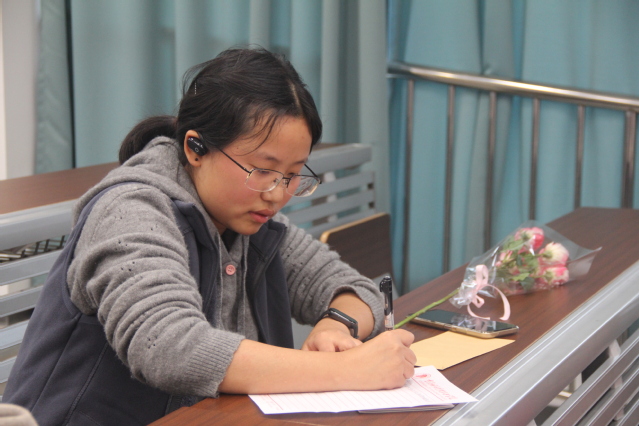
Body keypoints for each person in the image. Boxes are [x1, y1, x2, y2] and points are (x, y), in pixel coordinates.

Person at [4, 47, 415, 425]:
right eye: (262, 170)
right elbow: (168, 347)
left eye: (292, 175)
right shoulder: (131, 211)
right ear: (196, 148)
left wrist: (337, 326)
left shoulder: (252, 220)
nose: (277, 194)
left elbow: (358, 289)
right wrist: (343, 370)